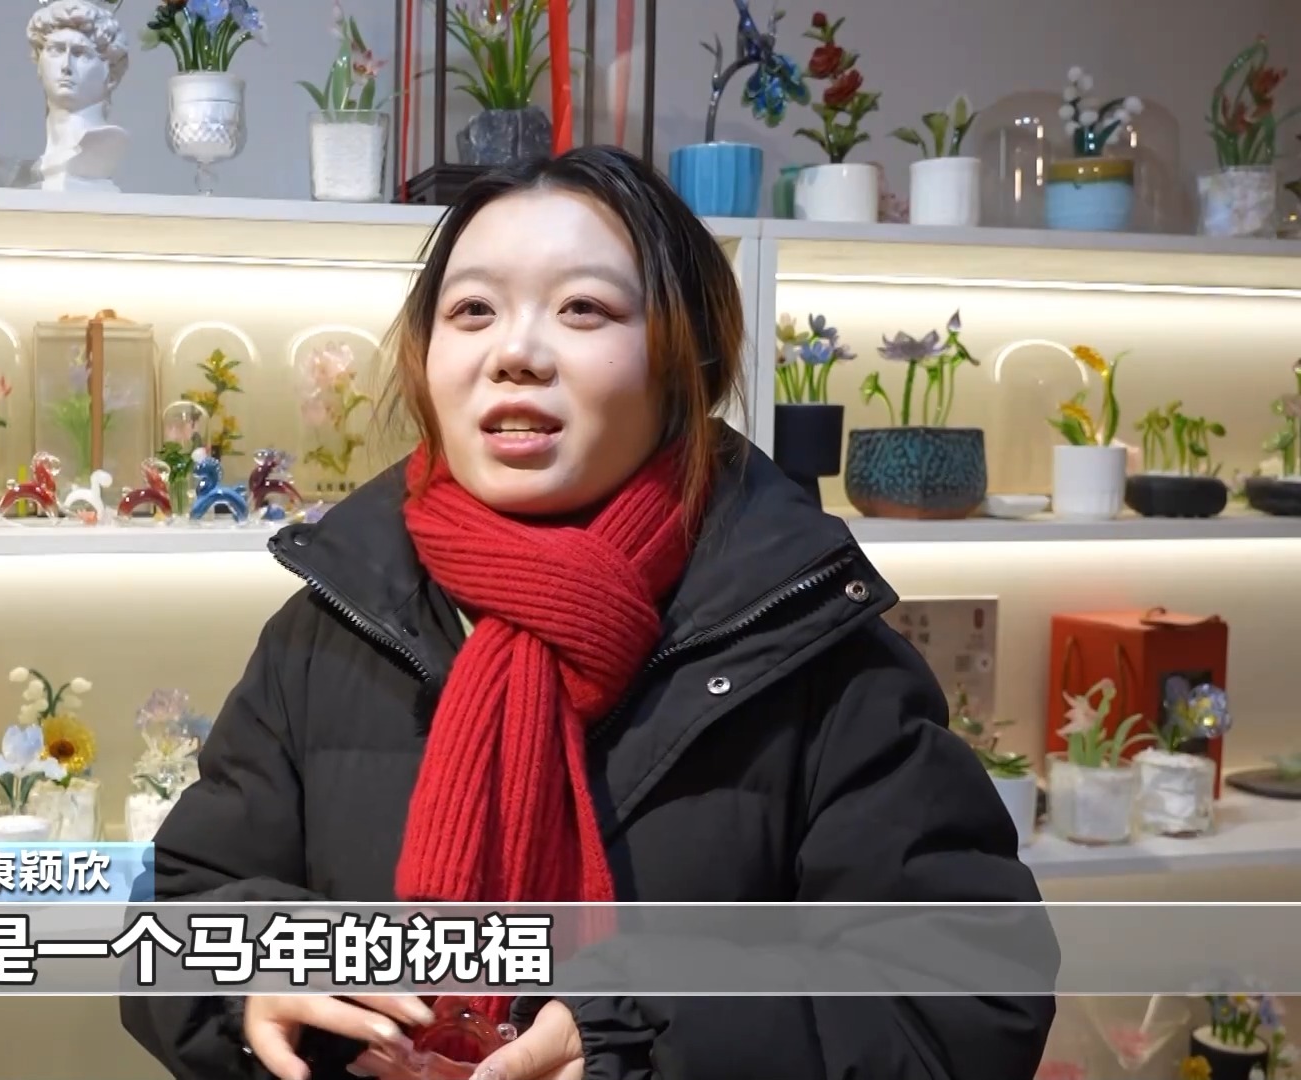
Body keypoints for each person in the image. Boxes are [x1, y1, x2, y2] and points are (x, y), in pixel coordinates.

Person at [120, 145, 1053, 1080]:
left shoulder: (810, 647)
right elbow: (172, 916)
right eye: (473, 310)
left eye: (583, 309)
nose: (515, 353)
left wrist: (642, 1035)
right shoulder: (332, 626)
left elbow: (966, 1001)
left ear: (684, 364)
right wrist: (251, 972)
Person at [25, 0, 130, 193]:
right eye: (56, 50)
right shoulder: (41, 164)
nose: (66, 66)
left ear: (111, 75)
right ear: (39, 64)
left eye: (80, 53)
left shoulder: (103, 143)